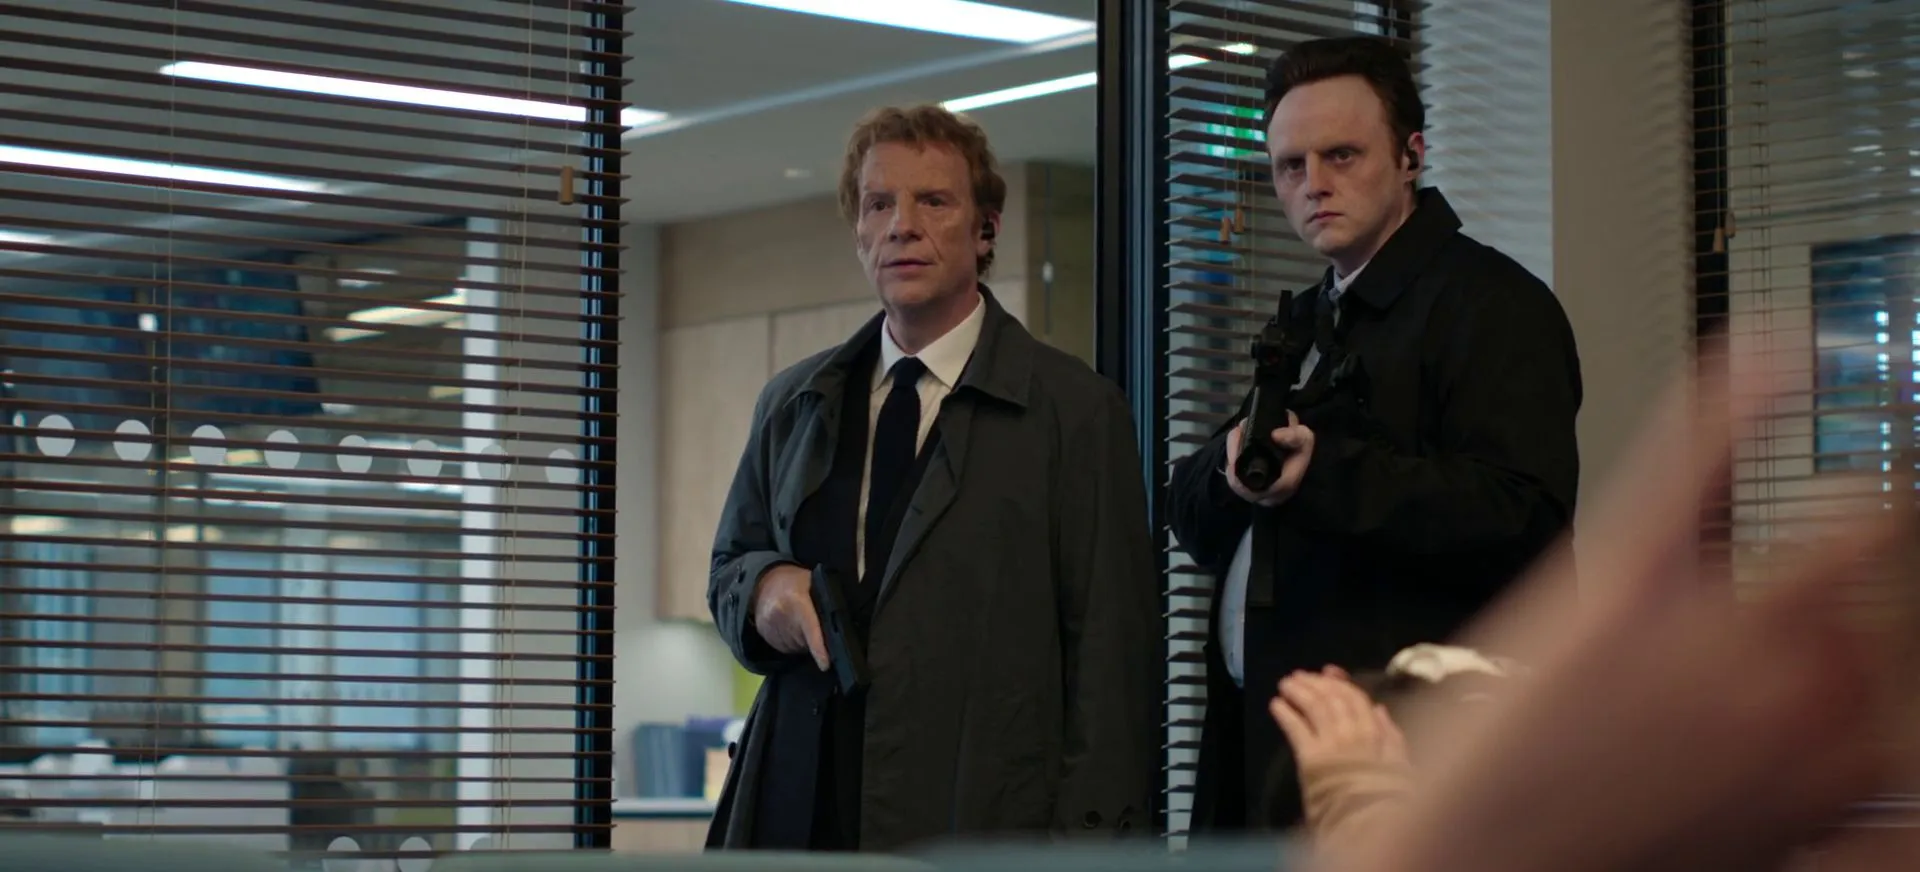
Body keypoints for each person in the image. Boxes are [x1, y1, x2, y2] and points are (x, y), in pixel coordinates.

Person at [702, 104, 1160, 853]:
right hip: (797, 807)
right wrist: (764, 590)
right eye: (879, 204)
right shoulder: (794, 403)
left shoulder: (1074, 412)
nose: (902, 226)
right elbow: (729, 568)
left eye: (934, 201)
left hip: (977, 820)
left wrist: (1086, 853)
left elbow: (1112, 661)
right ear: (858, 231)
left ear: (986, 230)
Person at [1164, 35, 1583, 833]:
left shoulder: (1494, 306)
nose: (1314, 184)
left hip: (1415, 765)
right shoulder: (1307, 320)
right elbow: (1193, 506)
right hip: (1272, 747)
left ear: (1411, 156)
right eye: (1290, 166)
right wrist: (1231, 472)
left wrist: (1323, 473)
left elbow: (1521, 515)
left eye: (1342, 155)